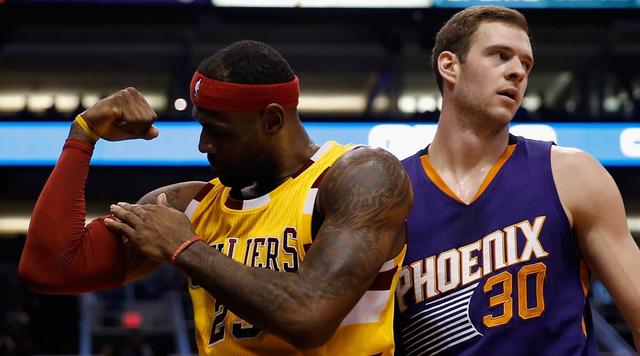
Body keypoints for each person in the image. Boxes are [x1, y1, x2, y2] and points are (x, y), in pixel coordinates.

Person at [18, 40, 413, 355]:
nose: (204, 145)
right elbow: (50, 268)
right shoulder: (190, 204)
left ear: (272, 120)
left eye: (218, 130)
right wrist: (83, 135)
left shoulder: (360, 176)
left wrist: (185, 247)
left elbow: (308, 318)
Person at [395, 6, 640, 355]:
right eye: (500, 56)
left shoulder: (571, 174)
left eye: (526, 65)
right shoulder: (391, 193)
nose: (517, 72)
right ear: (450, 66)